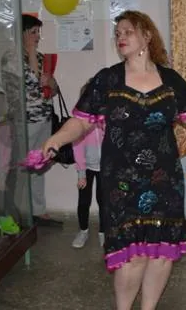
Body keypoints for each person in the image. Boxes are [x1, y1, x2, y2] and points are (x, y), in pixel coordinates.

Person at [41, 10, 186, 310]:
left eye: (128, 31)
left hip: (165, 179)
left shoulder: (170, 80)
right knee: (133, 257)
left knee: (161, 254)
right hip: (121, 181)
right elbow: (81, 121)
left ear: (146, 36)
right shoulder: (107, 80)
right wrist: (57, 139)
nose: (121, 37)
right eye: (118, 33)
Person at [1, 14, 62, 227]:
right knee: (22, 168)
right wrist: (31, 53)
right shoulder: (11, 58)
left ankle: (38, 211)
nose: (37, 36)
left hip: (44, 117)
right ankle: (19, 213)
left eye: (38, 32)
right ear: (22, 33)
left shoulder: (40, 56)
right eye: (33, 32)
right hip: (24, 121)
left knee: (39, 166)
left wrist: (51, 82)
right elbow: (29, 82)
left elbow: (52, 89)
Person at [71, 81, 105, 249]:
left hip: (105, 168)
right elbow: (77, 147)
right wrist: (81, 173)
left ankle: (103, 232)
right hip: (86, 168)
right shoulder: (80, 122)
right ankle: (83, 231)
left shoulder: (106, 119)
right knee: (84, 201)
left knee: (104, 201)